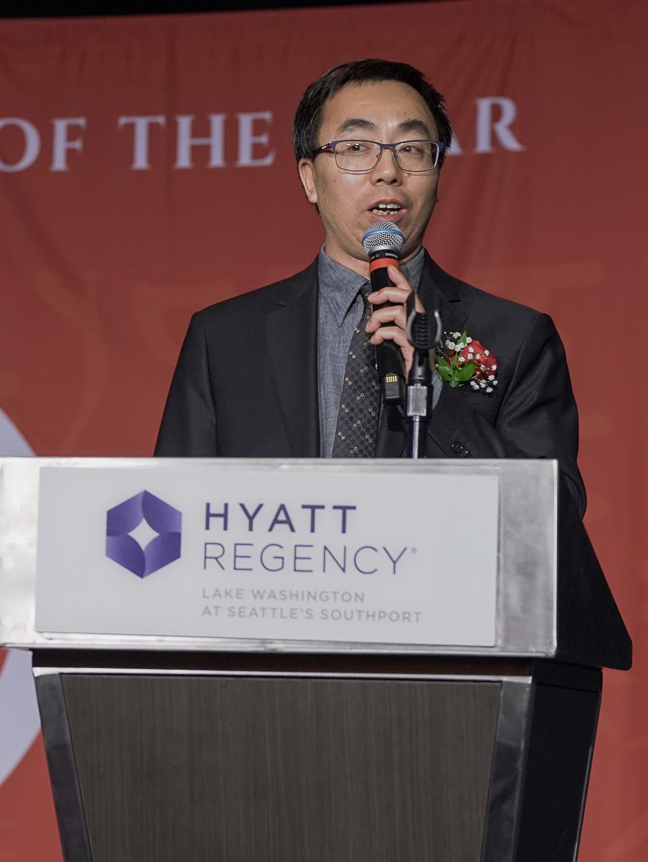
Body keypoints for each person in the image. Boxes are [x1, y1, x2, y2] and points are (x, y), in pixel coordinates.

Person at [153, 58, 588, 518]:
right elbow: (170, 508)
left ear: (437, 177)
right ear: (309, 179)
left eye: (412, 149)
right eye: (357, 147)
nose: (388, 172)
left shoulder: (515, 337)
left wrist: (435, 395)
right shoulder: (224, 338)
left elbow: (555, 517)